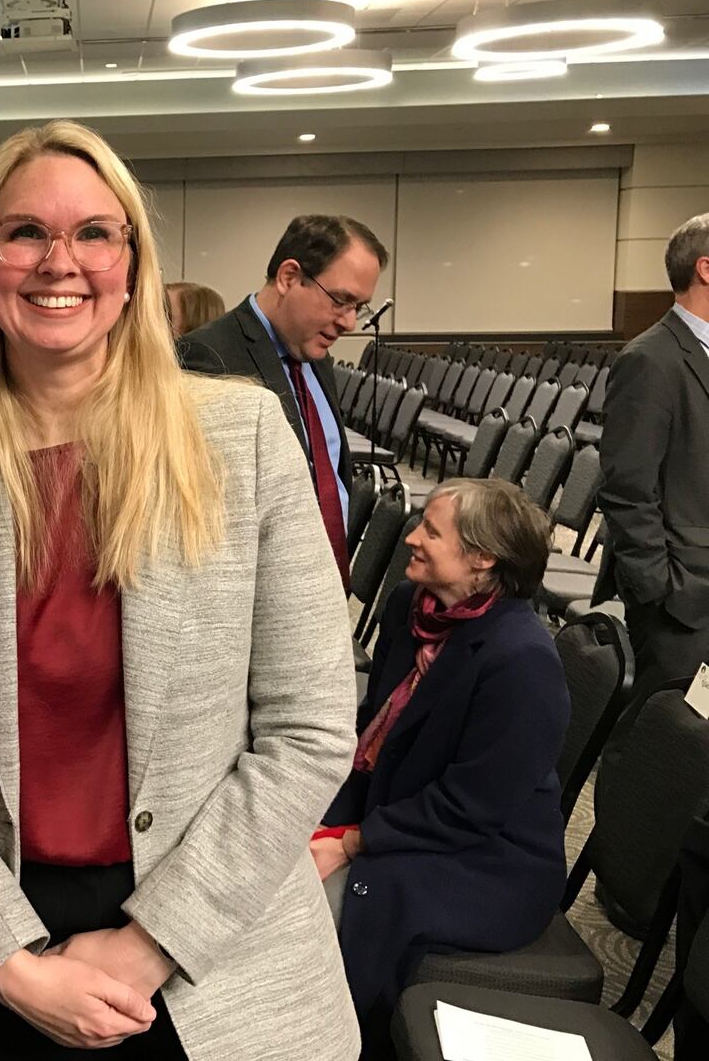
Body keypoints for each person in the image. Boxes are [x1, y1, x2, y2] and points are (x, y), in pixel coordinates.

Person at [0, 120, 360, 1061]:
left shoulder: (243, 436)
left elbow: (309, 728)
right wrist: (7, 954)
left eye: (96, 233)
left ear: (132, 268)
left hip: (218, 948)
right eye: (24, 233)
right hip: (0, 950)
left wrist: (148, 946)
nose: (62, 261)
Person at [316, 478, 567, 1051]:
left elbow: (469, 808)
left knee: (331, 907)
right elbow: (376, 730)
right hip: (402, 806)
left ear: (482, 558)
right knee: (273, 849)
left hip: (487, 859)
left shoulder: (522, 662)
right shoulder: (414, 607)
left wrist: (350, 842)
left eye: (431, 530)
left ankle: (337, 1038)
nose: (410, 538)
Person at [177, 215, 387, 587]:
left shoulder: (315, 355)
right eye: (342, 300)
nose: (351, 322)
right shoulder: (210, 356)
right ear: (289, 277)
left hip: (324, 580)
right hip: (265, 594)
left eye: (361, 306)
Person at [594, 212, 709, 694]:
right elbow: (626, 489)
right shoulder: (651, 358)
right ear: (706, 268)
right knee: (657, 748)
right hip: (683, 602)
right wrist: (660, 592)